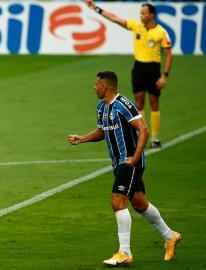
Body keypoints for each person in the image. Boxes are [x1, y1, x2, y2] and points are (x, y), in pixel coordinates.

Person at [68, 71, 180, 267]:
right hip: (119, 163)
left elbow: (143, 128)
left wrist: (136, 157)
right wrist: (82, 138)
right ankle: (170, 236)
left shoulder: (123, 104)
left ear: (105, 86)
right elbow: (102, 131)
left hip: (128, 162)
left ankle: (125, 252)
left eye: (96, 85)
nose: (94, 87)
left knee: (117, 201)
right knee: (139, 203)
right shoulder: (101, 107)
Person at [84, 0, 173, 148]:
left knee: (154, 102)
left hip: (153, 69)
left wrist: (165, 75)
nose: (141, 16)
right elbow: (115, 18)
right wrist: (97, 9)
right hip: (138, 68)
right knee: (138, 102)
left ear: (152, 15)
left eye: (144, 13)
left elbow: (169, 55)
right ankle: (140, 135)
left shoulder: (161, 32)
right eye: (140, 13)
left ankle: (155, 138)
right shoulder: (136, 26)